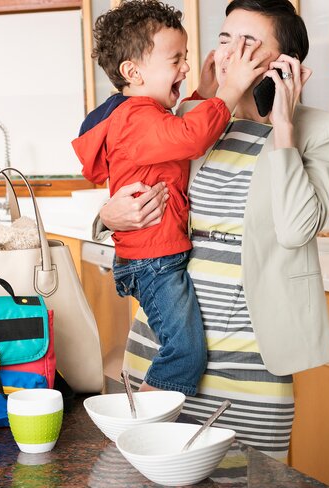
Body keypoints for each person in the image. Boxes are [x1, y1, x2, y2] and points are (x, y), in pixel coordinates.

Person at [94, 0, 329, 462]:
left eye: (250, 43)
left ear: (285, 63)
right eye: (224, 39)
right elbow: (133, 190)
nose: (232, 53)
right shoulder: (192, 118)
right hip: (161, 352)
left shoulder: (326, 131)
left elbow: (296, 229)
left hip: (249, 367)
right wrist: (107, 219)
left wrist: (282, 127)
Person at [72, 0, 268, 396]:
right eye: (175, 59)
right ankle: (142, 424)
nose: (185, 67)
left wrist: (205, 93)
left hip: (156, 259)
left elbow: (175, 130)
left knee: (181, 349)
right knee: (185, 354)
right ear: (133, 72)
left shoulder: (142, 115)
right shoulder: (134, 118)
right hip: (154, 263)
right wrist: (228, 91)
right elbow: (190, 138)